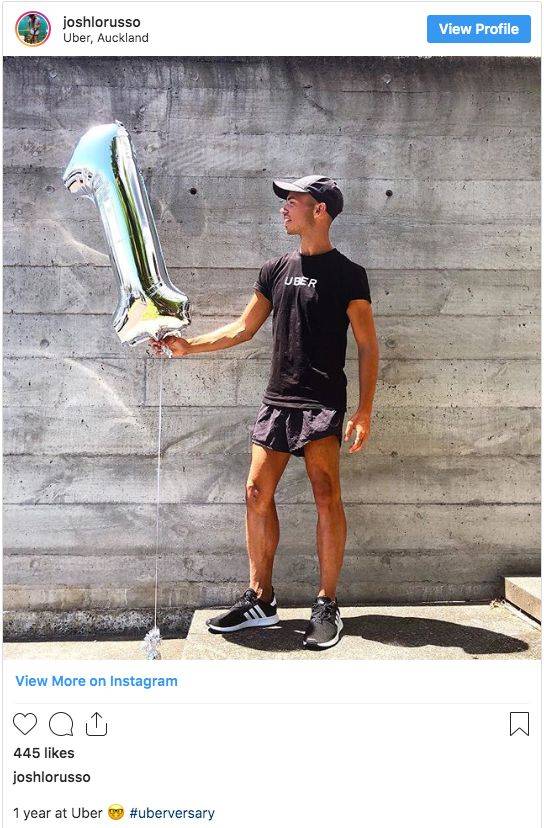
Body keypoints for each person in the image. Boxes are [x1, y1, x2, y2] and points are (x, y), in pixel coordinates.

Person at [150, 175, 379, 649]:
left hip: (321, 402)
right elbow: (242, 327)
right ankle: (261, 598)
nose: (284, 208)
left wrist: (364, 410)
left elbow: (367, 345)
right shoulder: (275, 269)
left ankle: (327, 604)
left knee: (325, 495)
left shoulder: (349, 274)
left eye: (292, 200)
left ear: (319, 210)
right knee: (256, 491)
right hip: (278, 400)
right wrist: (187, 346)